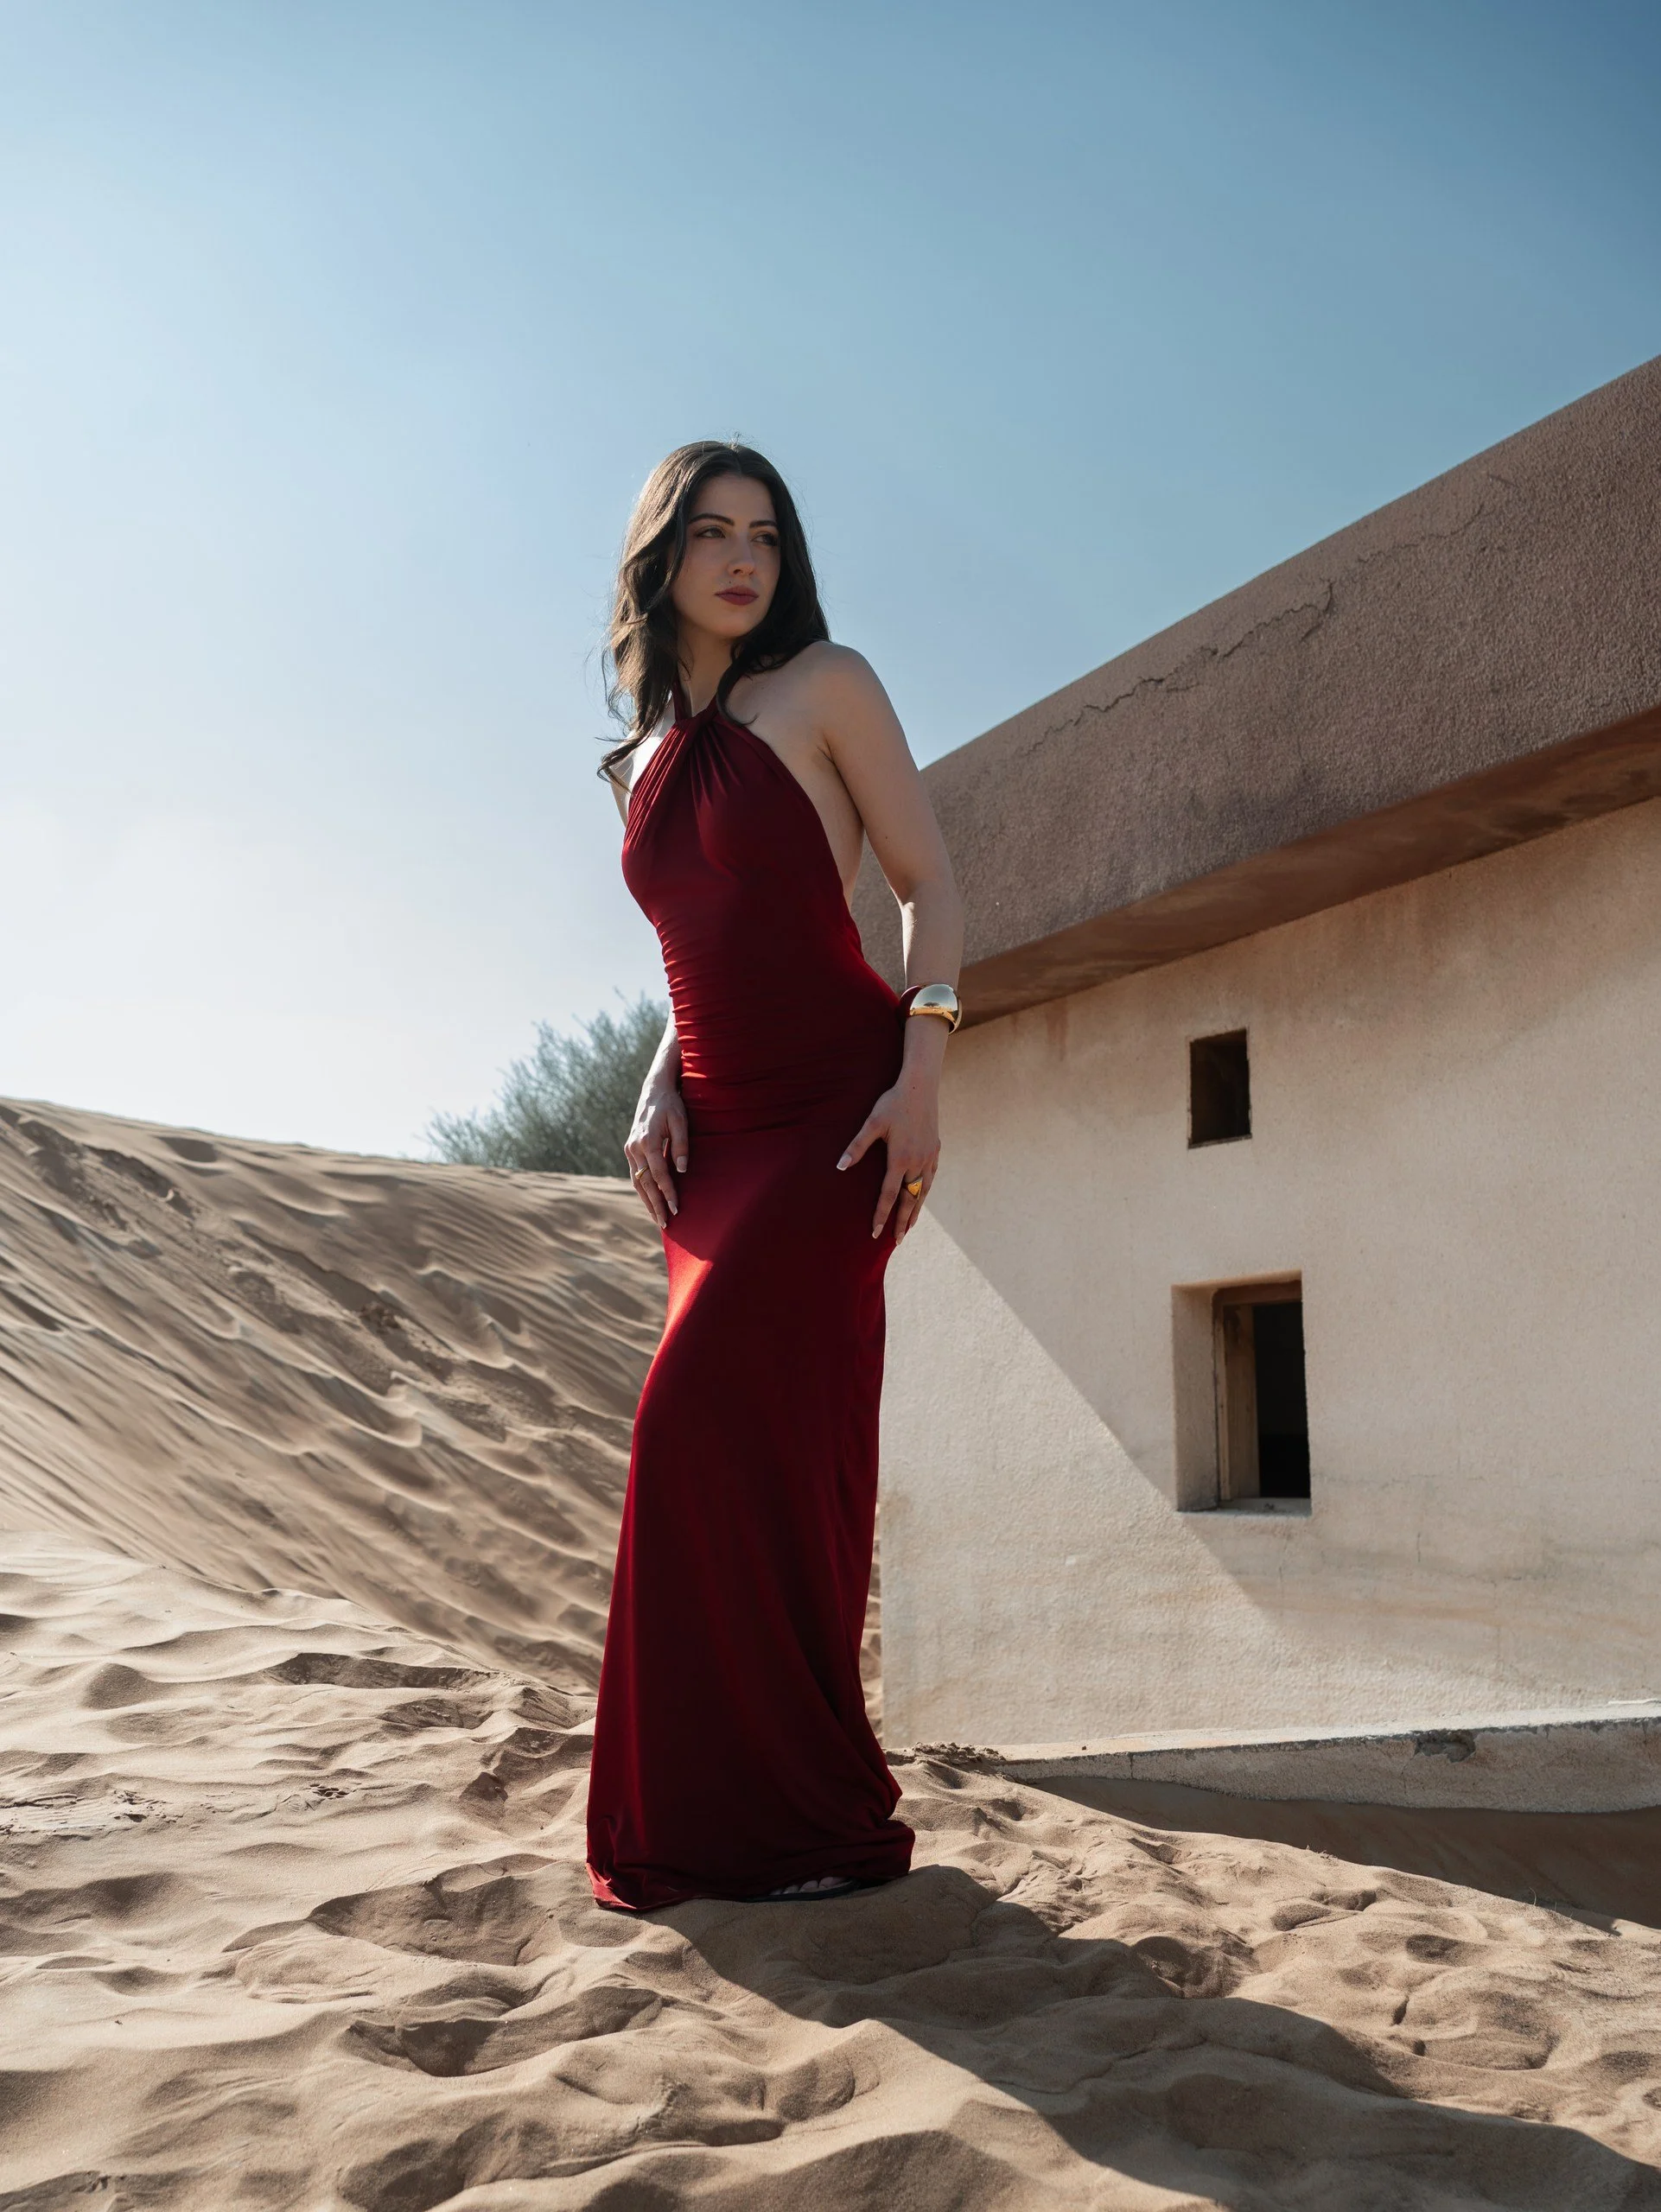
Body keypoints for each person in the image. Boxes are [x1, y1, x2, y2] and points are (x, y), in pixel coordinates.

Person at [584, 441, 964, 1910]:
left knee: (706, 1428)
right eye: (711, 533)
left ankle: (806, 1813)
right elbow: (691, 959)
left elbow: (933, 885)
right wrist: (650, 1084)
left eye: (764, 534)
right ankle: (708, 1826)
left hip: (836, 1117)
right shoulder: (636, 758)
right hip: (717, 1128)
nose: (743, 558)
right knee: (730, 1461)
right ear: (660, 556)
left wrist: (920, 1073)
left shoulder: (829, 688)